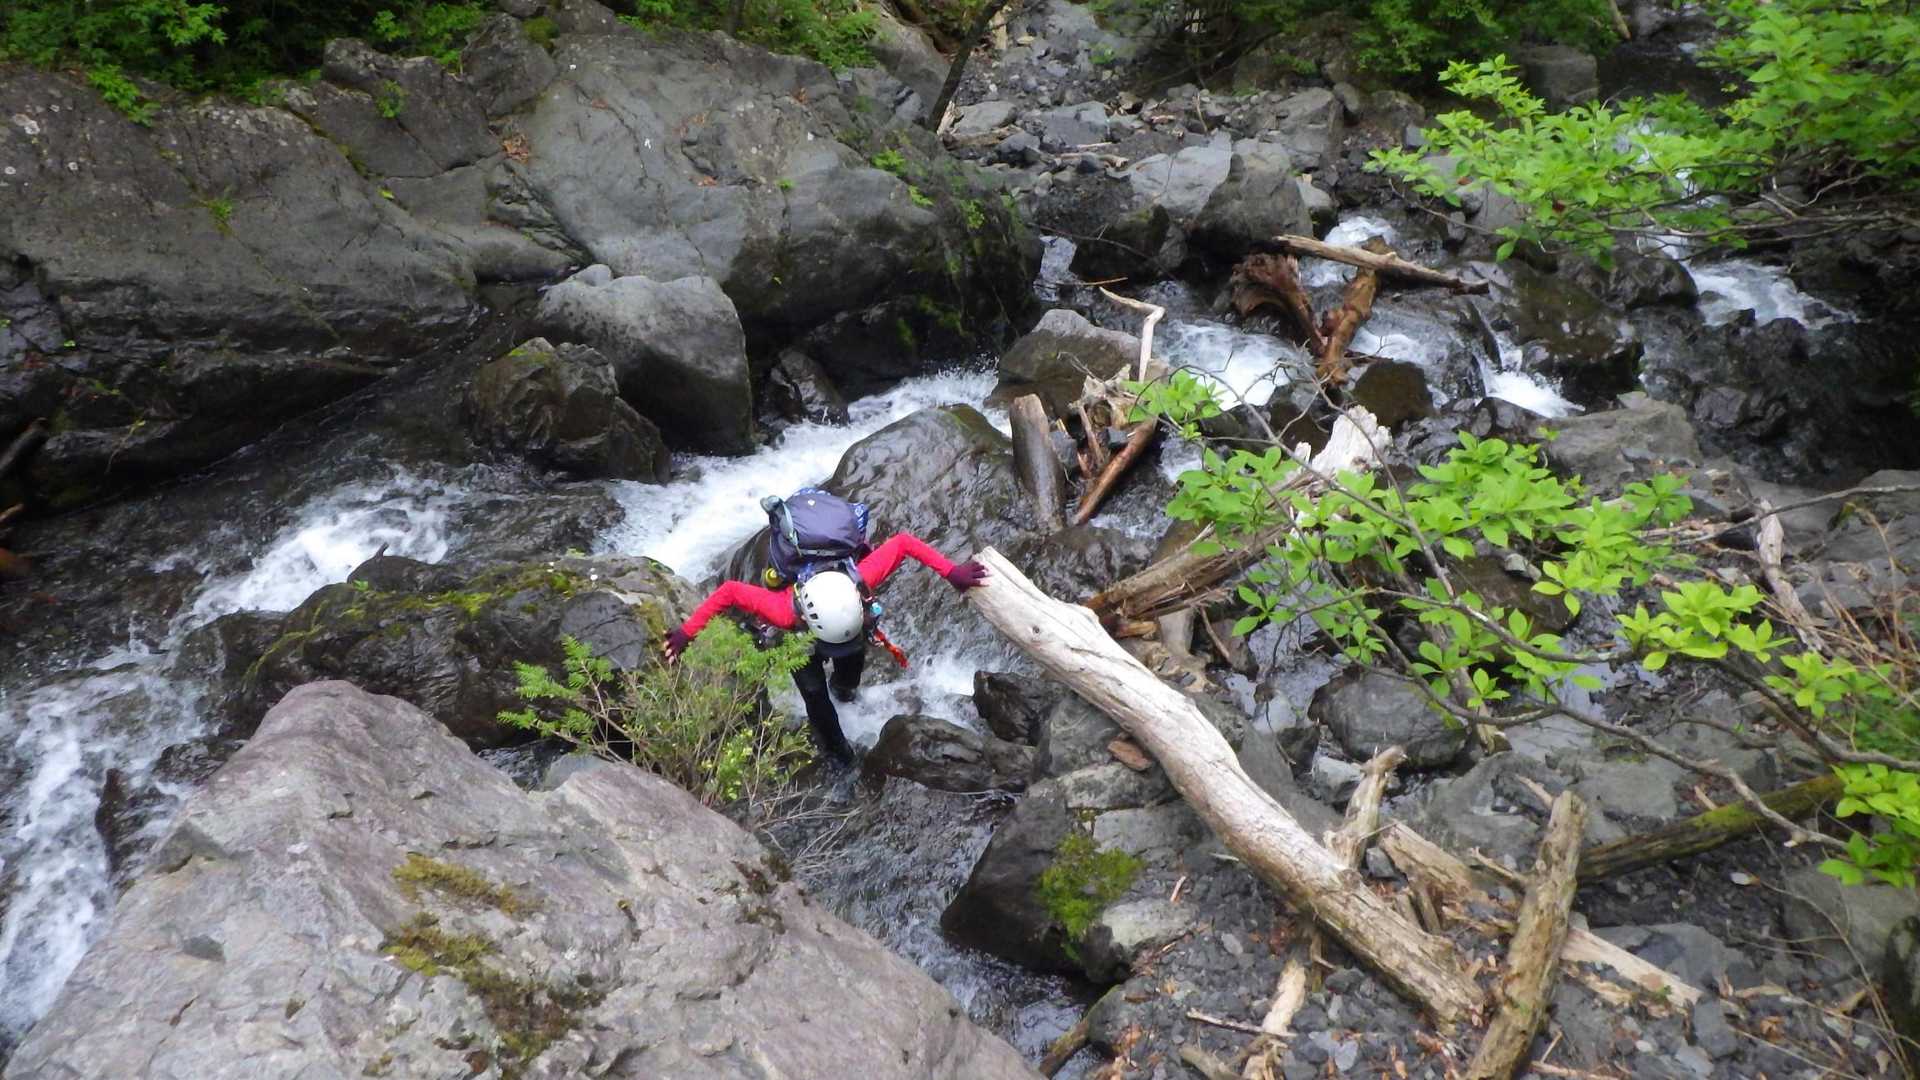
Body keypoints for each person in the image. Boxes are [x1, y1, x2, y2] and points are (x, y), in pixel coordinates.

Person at [662, 497, 988, 762]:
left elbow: (903, 543)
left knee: (850, 667)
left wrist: (952, 573)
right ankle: (838, 753)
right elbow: (729, 592)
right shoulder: (782, 612)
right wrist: (685, 634)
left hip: (844, 618)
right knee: (815, 695)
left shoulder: (860, 580)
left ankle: (845, 693)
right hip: (800, 637)